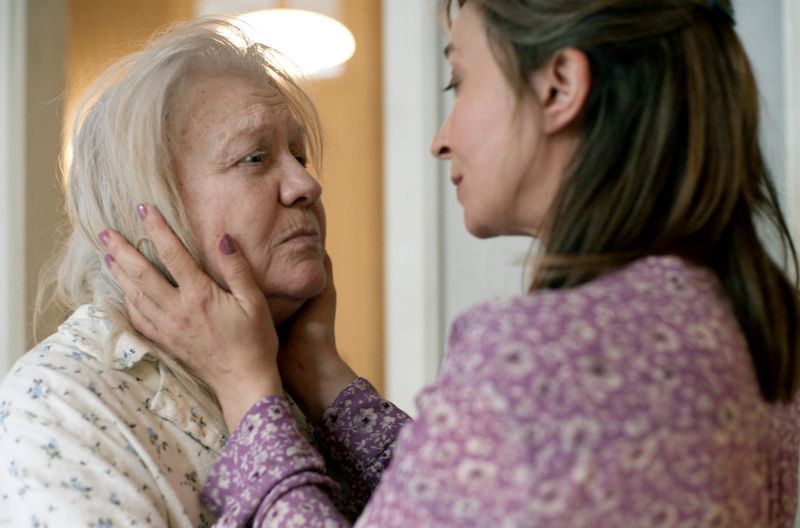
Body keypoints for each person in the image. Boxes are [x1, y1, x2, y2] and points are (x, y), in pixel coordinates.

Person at [102, 0, 800, 526]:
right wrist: (322, 374)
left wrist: (247, 389)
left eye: (457, 82)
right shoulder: (748, 327)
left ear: (559, 87)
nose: (442, 139)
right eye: (256, 157)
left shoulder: (544, 357)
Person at [0, 18, 338, 526]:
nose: (305, 185)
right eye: (254, 157)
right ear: (148, 204)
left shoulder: (293, 376)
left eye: (299, 154)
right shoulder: (63, 397)